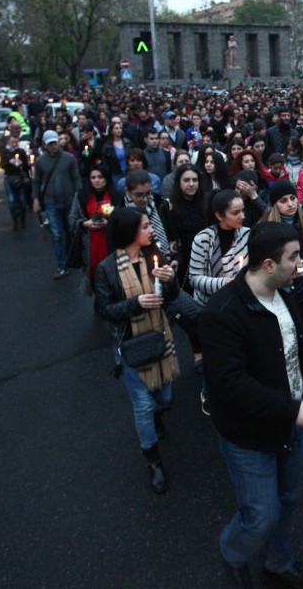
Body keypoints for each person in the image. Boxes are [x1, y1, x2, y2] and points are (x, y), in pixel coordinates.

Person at [198, 222, 303, 589]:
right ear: (269, 265)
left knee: (287, 500)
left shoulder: (286, 294)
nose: (301, 266)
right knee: (259, 514)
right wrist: (295, 410)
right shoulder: (221, 313)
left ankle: (277, 559)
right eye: (293, 258)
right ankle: (234, 551)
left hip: (292, 426)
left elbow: (295, 345)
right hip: (250, 437)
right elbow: (230, 387)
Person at [94, 207, 181, 494]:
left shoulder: (154, 256)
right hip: (130, 345)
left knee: (163, 396)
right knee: (143, 405)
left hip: (159, 337)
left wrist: (170, 280)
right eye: (145, 226)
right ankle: (153, 460)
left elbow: (172, 297)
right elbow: (105, 310)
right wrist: (136, 303)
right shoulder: (107, 268)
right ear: (129, 231)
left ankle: (157, 418)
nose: (151, 230)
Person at [33, 131, 81, 278]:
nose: (54, 146)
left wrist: (79, 197)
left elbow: (76, 177)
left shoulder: (68, 158)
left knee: (70, 231)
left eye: (55, 142)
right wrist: (35, 199)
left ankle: (69, 257)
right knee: (57, 235)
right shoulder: (41, 161)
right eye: (50, 144)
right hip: (51, 203)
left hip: (68, 201)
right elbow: (36, 181)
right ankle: (62, 264)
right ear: (45, 144)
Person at [69, 164, 116, 295]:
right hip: (89, 244)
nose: (96, 180)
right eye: (93, 177)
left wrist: (108, 222)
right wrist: (84, 223)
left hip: (110, 242)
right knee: (94, 275)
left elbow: (120, 216)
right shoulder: (81, 196)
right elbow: (72, 219)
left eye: (100, 177)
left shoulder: (114, 194)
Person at [168, 164, 209, 288]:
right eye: (186, 180)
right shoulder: (171, 206)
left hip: (206, 256)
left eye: (195, 180)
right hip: (184, 259)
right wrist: (176, 258)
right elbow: (173, 238)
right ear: (178, 182)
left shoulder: (206, 201)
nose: (191, 184)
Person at [0, 133, 31, 229]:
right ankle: (15, 221)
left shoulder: (21, 151)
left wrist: (22, 164)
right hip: (9, 177)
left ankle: (22, 219)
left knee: (22, 200)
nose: (14, 144)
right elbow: (2, 165)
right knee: (12, 200)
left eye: (16, 142)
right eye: (12, 142)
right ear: (8, 141)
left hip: (19, 178)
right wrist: (9, 162)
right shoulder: (5, 152)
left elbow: (26, 166)